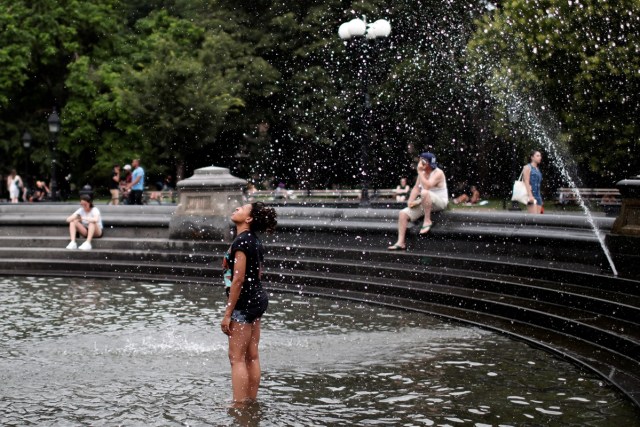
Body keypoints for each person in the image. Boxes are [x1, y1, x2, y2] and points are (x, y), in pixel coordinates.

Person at [221, 202, 277, 405]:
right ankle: (250, 400)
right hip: (257, 299)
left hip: (244, 303)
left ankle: (239, 404)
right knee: (251, 355)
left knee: (236, 358)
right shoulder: (253, 240)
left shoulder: (241, 242)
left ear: (249, 219)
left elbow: (238, 279)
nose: (236, 208)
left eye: (242, 208)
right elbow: (258, 273)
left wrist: (228, 313)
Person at [387, 152, 449, 250]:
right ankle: (400, 242)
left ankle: (427, 220)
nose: (419, 163)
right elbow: (416, 188)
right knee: (403, 213)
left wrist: (420, 172)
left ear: (426, 163)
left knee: (424, 192)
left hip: (440, 202)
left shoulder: (438, 173)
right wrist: (410, 201)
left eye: (422, 161)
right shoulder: (422, 173)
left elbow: (428, 186)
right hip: (426, 202)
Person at [522, 150, 543, 214]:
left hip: (538, 195)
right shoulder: (527, 167)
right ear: (532, 157)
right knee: (533, 218)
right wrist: (530, 195)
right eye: (537, 156)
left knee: (538, 219)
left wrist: (540, 198)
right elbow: (526, 181)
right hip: (531, 194)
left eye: (540, 156)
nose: (540, 157)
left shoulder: (537, 169)